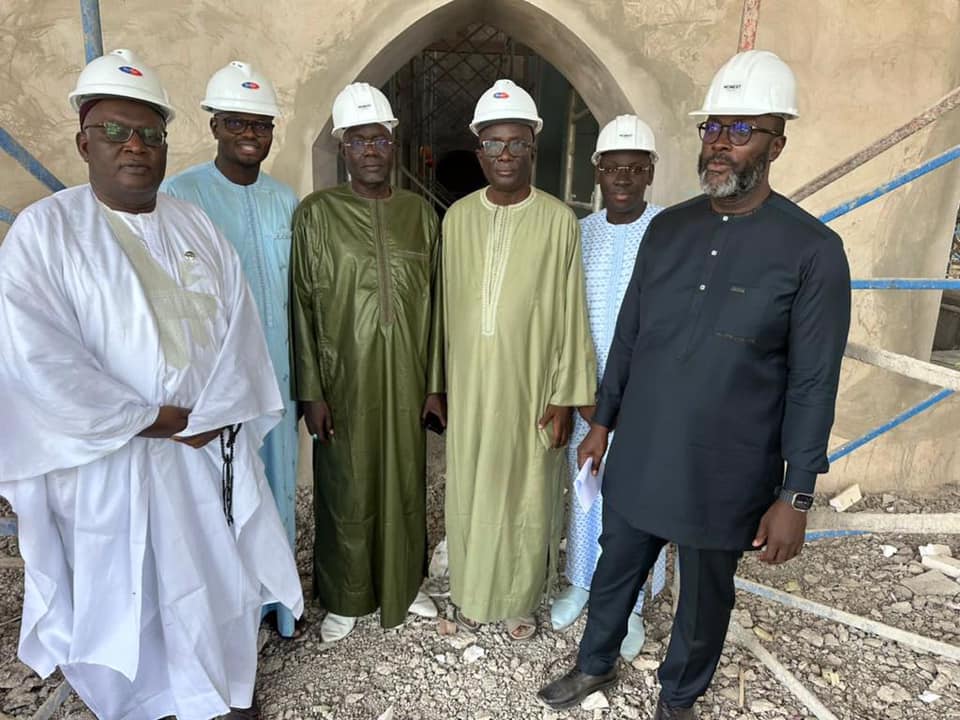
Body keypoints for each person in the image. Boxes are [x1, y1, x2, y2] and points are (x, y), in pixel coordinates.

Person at [538, 50, 851, 718]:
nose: (720, 144)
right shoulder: (670, 229)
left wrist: (797, 493)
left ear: (777, 142)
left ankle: (679, 697)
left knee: (706, 595)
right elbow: (629, 334)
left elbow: (814, 381)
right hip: (644, 451)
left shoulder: (813, 252)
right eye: (713, 128)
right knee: (615, 566)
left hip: (729, 470)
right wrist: (602, 424)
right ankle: (594, 665)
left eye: (741, 131)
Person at [0, 49, 303, 720]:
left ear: (167, 144)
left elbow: (239, 330)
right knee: (125, 587)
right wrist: (160, 420)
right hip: (111, 463)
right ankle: (146, 706)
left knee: (216, 580)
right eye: (115, 131)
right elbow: (37, 359)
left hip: (203, 454)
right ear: (84, 142)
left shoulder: (194, 225)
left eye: (150, 134)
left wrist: (216, 413)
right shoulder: (45, 234)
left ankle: (222, 693)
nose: (134, 146)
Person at [442, 79, 596, 641]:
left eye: (517, 143)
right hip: (471, 384)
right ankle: (471, 589)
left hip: (532, 385)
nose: (505, 155)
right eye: (494, 143)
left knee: (527, 490)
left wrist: (564, 395)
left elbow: (571, 312)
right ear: (479, 151)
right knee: (471, 486)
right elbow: (444, 310)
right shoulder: (456, 218)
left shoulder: (558, 221)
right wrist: (439, 384)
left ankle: (520, 598)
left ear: (534, 148)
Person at [291, 82, 442, 642]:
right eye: (359, 140)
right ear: (343, 149)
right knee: (346, 484)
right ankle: (345, 596)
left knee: (406, 481)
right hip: (343, 379)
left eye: (380, 137)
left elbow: (439, 305)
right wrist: (312, 390)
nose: (371, 149)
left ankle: (406, 586)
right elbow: (303, 304)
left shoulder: (419, 215)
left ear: (393, 144)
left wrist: (435, 384)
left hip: (407, 379)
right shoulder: (316, 214)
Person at [161, 61, 300, 638]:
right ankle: (232, 614)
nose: (251, 134)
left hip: (280, 373)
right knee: (224, 496)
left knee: (279, 483)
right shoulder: (181, 195)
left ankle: (279, 605)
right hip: (218, 382)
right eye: (238, 122)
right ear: (215, 124)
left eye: (262, 124)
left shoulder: (286, 199)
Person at [551, 115, 667, 661]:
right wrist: (574, 387)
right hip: (588, 392)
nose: (623, 177)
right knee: (585, 490)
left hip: (646, 399)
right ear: (597, 171)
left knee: (639, 501)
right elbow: (563, 315)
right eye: (613, 167)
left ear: (650, 173)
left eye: (635, 168)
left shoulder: (670, 234)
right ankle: (580, 582)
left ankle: (633, 606)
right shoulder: (579, 233)